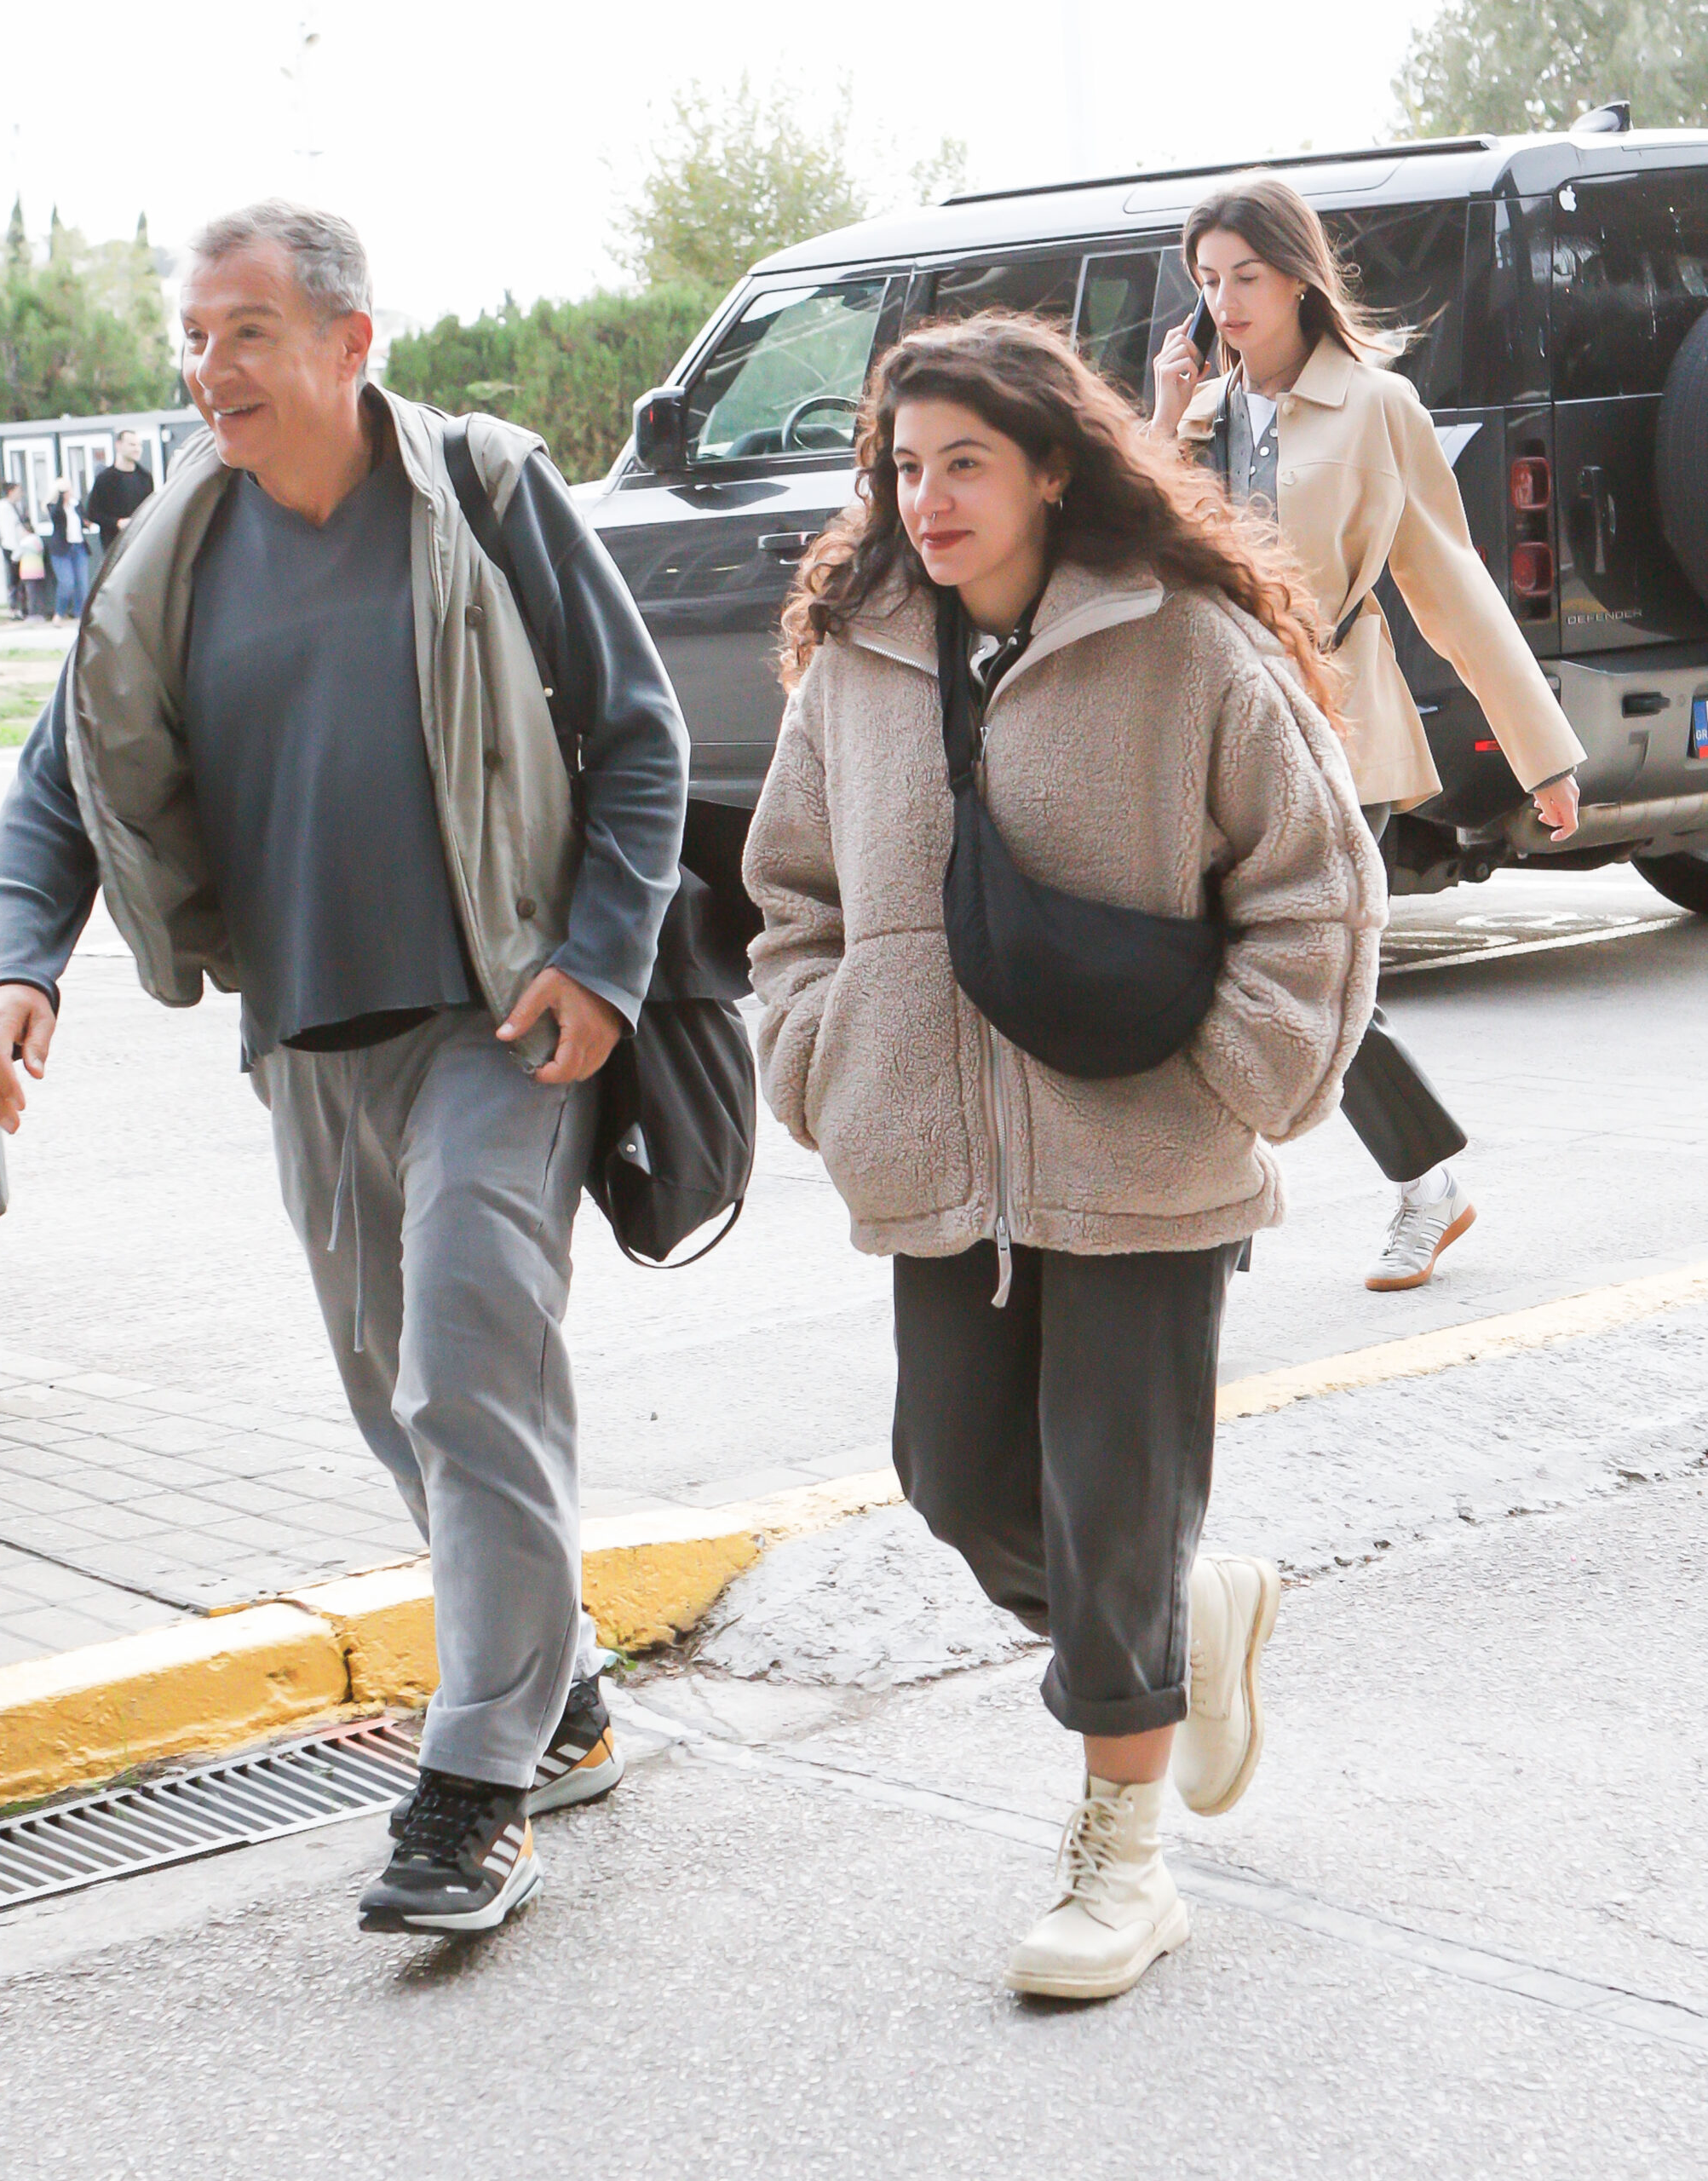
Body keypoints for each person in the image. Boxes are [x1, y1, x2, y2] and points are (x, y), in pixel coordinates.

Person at [0, 200, 688, 1936]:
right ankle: (560, 1690)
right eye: (194, 338)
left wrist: (601, 958)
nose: (209, 369)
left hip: (500, 1025)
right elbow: (62, 781)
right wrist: (11, 965)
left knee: (464, 1369)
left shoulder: (480, 491)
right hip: (301, 1041)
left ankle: (473, 1792)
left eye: (247, 333)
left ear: (351, 341)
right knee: (395, 1402)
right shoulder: (171, 550)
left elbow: (639, 733)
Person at [745, 314, 1382, 2000]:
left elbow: (1314, 878)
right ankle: (1176, 1610)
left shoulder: (1179, 643)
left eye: (963, 462)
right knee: (953, 1476)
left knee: (1107, 1501)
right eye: (903, 467)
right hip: (934, 1162)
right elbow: (790, 896)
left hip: (1142, 1159)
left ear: (1046, 466)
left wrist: (1238, 1074)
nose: (927, 499)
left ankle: (1122, 1859)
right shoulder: (860, 663)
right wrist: (819, 1059)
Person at [1149, 172, 1586, 1292]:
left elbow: (1449, 585)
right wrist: (1159, 418)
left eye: (1245, 277)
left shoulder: (1375, 406)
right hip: (1218, 736)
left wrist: (1540, 756)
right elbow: (1136, 567)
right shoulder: (1196, 415)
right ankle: (1266, 1206)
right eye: (1207, 281)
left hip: (1340, 728)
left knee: (1308, 973)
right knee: (1219, 972)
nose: (1225, 302)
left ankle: (1408, 1188)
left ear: (1298, 277)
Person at [86, 428, 155, 560]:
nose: (137, 449)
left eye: (139, 445)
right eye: (132, 445)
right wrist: (117, 523)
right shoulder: (105, 479)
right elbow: (92, 513)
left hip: (141, 543)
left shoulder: (145, 477)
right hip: (115, 547)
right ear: (118, 445)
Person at [46, 476, 89, 619]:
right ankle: (59, 612)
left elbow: (81, 520)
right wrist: (61, 498)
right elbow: (57, 517)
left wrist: (86, 523)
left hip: (78, 546)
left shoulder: (76, 505)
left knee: (82, 584)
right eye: (65, 491)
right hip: (61, 549)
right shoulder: (53, 507)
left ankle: (80, 614)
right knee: (67, 583)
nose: (69, 492)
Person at [0, 480, 28, 618]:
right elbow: (9, 530)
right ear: (11, 492)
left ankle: (18, 607)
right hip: (11, 547)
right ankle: (14, 608)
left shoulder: (14, 507)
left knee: (17, 578)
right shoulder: (5, 509)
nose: (20, 494)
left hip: (15, 546)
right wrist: (15, 548)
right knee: (14, 578)